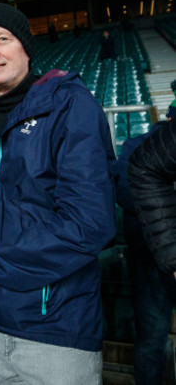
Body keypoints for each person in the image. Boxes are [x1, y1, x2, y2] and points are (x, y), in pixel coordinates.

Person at [0, 3, 116, 384]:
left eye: (3, 39)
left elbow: (89, 224)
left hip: (55, 332)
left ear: (27, 49)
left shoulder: (70, 104)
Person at [125, 111, 175, 385]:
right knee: (152, 339)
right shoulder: (137, 145)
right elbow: (126, 191)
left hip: (156, 252)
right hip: (150, 260)